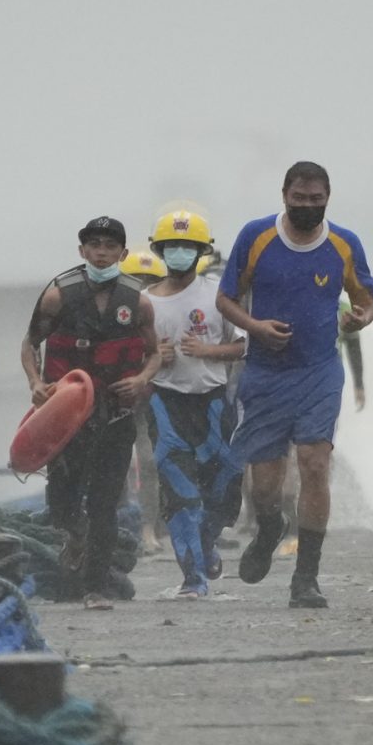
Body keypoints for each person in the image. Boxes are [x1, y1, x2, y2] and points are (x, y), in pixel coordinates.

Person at [215, 162, 373, 608]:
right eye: (299, 198)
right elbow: (224, 299)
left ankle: (306, 578)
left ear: (328, 197)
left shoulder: (345, 243)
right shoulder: (256, 236)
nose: (308, 206)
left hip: (320, 371)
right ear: (284, 194)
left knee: (313, 463)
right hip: (266, 374)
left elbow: (366, 302)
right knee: (266, 485)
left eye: (316, 199)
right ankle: (269, 528)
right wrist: (256, 328)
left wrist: (359, 319)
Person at [20, 215, 159, 607]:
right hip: (65, 418)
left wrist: (141, 380)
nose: (102, 252)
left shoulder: (138, 302)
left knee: (106, 502)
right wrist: (35, 383)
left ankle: (95, 587)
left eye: (110, 246)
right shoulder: (57, 296)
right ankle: (73, 543)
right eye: (94, 245)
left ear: (123, 253)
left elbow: (154, 356)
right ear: (82, 251)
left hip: (114, 414)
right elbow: (30, 345)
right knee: (61, 500)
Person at [139, 208, 246, 597]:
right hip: (166, 406)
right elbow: (133, 357)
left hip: (214, 403)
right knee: (181, 494)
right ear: (160, 250)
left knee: (222, 491)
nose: (180, 253)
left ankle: (207, 543)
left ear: (201, 251)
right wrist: (154, 358)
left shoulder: (219, 297)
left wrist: (210, 350)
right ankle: (193, 579)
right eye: (172, 246)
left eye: (188, 246)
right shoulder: (143, 303)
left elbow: (245, 347)